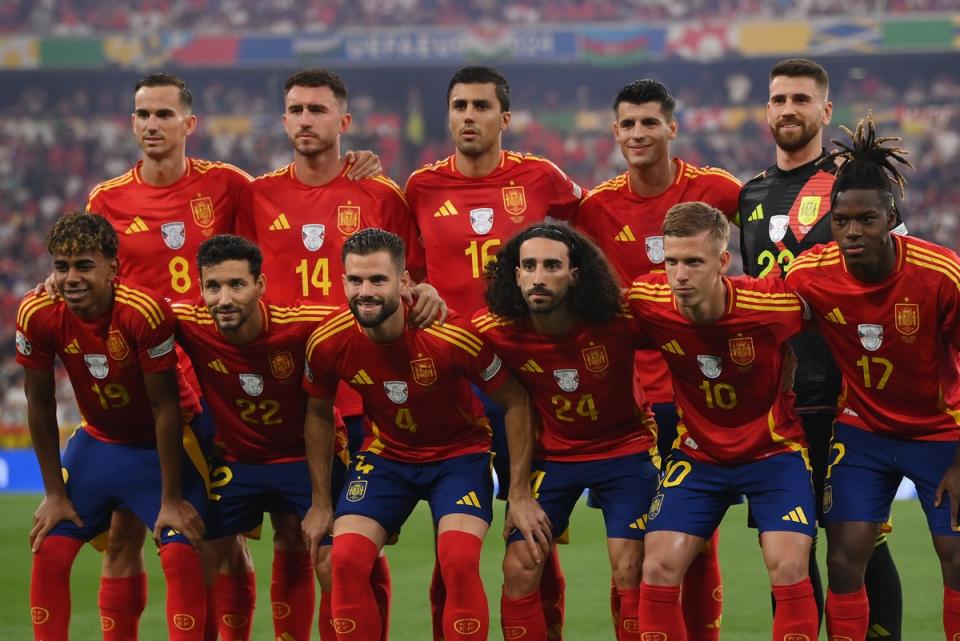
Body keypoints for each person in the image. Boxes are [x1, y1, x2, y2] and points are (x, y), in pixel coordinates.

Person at [234, 67, 441, 639]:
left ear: (343, 121)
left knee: (348, 543)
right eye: (296, 109)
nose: (306, 119)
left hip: (359, 394)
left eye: (318, 110)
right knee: (289, 535)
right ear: (283, 120)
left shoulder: (379, 193)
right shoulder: (257, 194)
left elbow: (414, 280)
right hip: (283, 390)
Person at [302, 228, 548, 641]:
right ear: (341, 280)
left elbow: (516, 401)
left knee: (457, 559)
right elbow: (317, 411)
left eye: (378, 280)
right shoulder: (327, 342)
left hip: (458, 456)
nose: (365, 291)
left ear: (404, 282)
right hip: (387, 456)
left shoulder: (449, 334)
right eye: (356, 280)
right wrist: (320, 502)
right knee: (343, 560)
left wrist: (520, 493)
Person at [404, 65, 581, 640]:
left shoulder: (542, 179)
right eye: (459, 106)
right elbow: (406, 274)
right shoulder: (421, 186)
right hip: (449, 378)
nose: (468, 117)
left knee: (533, 529)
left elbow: (583, 253)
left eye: (481, 106)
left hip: (523, 380)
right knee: (450, 539)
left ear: (504, 118)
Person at [738, 58, 903, 634]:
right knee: (789, 545)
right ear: (766, 109)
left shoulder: (853, 184)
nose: (788, 109)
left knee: (858, 543)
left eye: (801, 99)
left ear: (825, 110)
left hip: (849, 394)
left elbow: (897, 276)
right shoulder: (751, 192)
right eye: (779, 98)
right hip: (781, 398)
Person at [574, 79, 739, 640]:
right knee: (635, 548)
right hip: (635, 403)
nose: (638, 133)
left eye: (650, 122)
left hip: (706, 391)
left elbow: (773, 237)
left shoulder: (717, 189)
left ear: (673, 127)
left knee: (699, 537)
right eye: (628, 124)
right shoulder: (595, 207)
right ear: (615, 131)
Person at [786, 114, 960, 641]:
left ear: (890, 219)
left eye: (866, 220)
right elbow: (755, 311)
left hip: (941, 431)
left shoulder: (940, 275)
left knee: (955, 555)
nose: (853, 231)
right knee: (844, 559)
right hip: (863, 432)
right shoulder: (810, 275)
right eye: (842, 221)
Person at [629, 202, 819, 641]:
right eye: (671, 261)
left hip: (773, 452)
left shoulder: (768, 302)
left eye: (693, 262)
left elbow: (831, 320)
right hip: (698, 455)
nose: (679, 276)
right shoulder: (646, 298)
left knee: (789, 564)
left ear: (721, 262)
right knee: (656, 565)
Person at [16, 212, 207, 641]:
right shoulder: (37, 312)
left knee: (181, 553)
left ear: (112, 268)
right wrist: (52, 493)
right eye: (61, 267)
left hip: (164, 446)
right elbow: (40, 404)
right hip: (99, 441)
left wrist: (171, 498)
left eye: (84, 265)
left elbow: (165, 408)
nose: (71, 278)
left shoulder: (144, 312)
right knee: (49, 546)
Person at [475, 223, 659, 640]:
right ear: (515, 274)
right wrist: (517, 493)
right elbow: (440, 340)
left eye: (552, 266)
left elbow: (685, 337)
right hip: (554, 457)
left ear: (575, 275)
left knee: (630, 565)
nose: (539, 277)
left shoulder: (620, 318)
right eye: (529, 266)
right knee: (519, 563)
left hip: (625, 451)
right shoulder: (494, 330)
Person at [172, 233, 350, 641]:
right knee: (192, 559)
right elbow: (125, 305)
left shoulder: (302, 324)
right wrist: (56, 287)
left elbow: (369, 310)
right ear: (200, 288)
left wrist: (416, 294)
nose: (224, 299)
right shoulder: (187, 321)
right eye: (213, 287)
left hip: (305, 459)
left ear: (260, 286)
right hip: (238, 461)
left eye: (237, 285)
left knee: (333, 562)